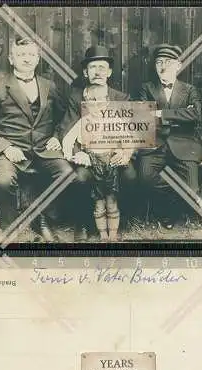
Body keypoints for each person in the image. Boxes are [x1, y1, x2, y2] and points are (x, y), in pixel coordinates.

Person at [0, 36, 75, 242]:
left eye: (31, 55)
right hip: (11, 150)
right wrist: (5, 147)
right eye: (21, 55)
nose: (26, 59)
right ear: (11, 60)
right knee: (2, 180)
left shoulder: (50, 86)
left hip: (43, 148)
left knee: (67, 174)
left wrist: (57, 136)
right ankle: (9, 227)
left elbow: (65, 116)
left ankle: (43, 219)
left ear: (38, 59)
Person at [59, 45, 136, 242]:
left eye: (102, 67)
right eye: (93, 67)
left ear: (109, 72)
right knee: (82, 177)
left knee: (130, 174)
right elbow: (68, 130)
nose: (98, 72)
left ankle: (119, 221)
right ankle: (84, 222)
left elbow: (131, 132)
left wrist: (125, 153)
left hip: (112, 155)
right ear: (86, 72)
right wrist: (80, 154)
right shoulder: (76, 97)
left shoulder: (121, 98)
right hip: (88, 156)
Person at [137, 44, 202, 230]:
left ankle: (177, 210)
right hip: (154, 144)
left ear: (178, 65)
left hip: (184, 144)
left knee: (191, 189)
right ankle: (168, 210)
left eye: (168, 62)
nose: (163, 66)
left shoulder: (189, 90)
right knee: (145, 179)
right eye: (159, 62)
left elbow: (196, 115)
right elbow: (143, 116)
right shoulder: (146, 88)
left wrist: (160, 114)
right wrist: (181, 114)